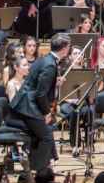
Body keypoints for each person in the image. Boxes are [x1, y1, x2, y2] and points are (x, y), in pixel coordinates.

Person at [10, 33, 71, 171]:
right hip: (28, 107)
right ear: (64, 49)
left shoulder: (45, 59)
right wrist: (46, 113)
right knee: (47, 136)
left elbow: (37, 83)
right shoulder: (50, 65)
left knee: (41, 134)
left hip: (25, 103)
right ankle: (40, 172)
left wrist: (54, 82)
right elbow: (40, 93)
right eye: (68, 47)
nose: (69, 49)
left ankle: (33, 169)